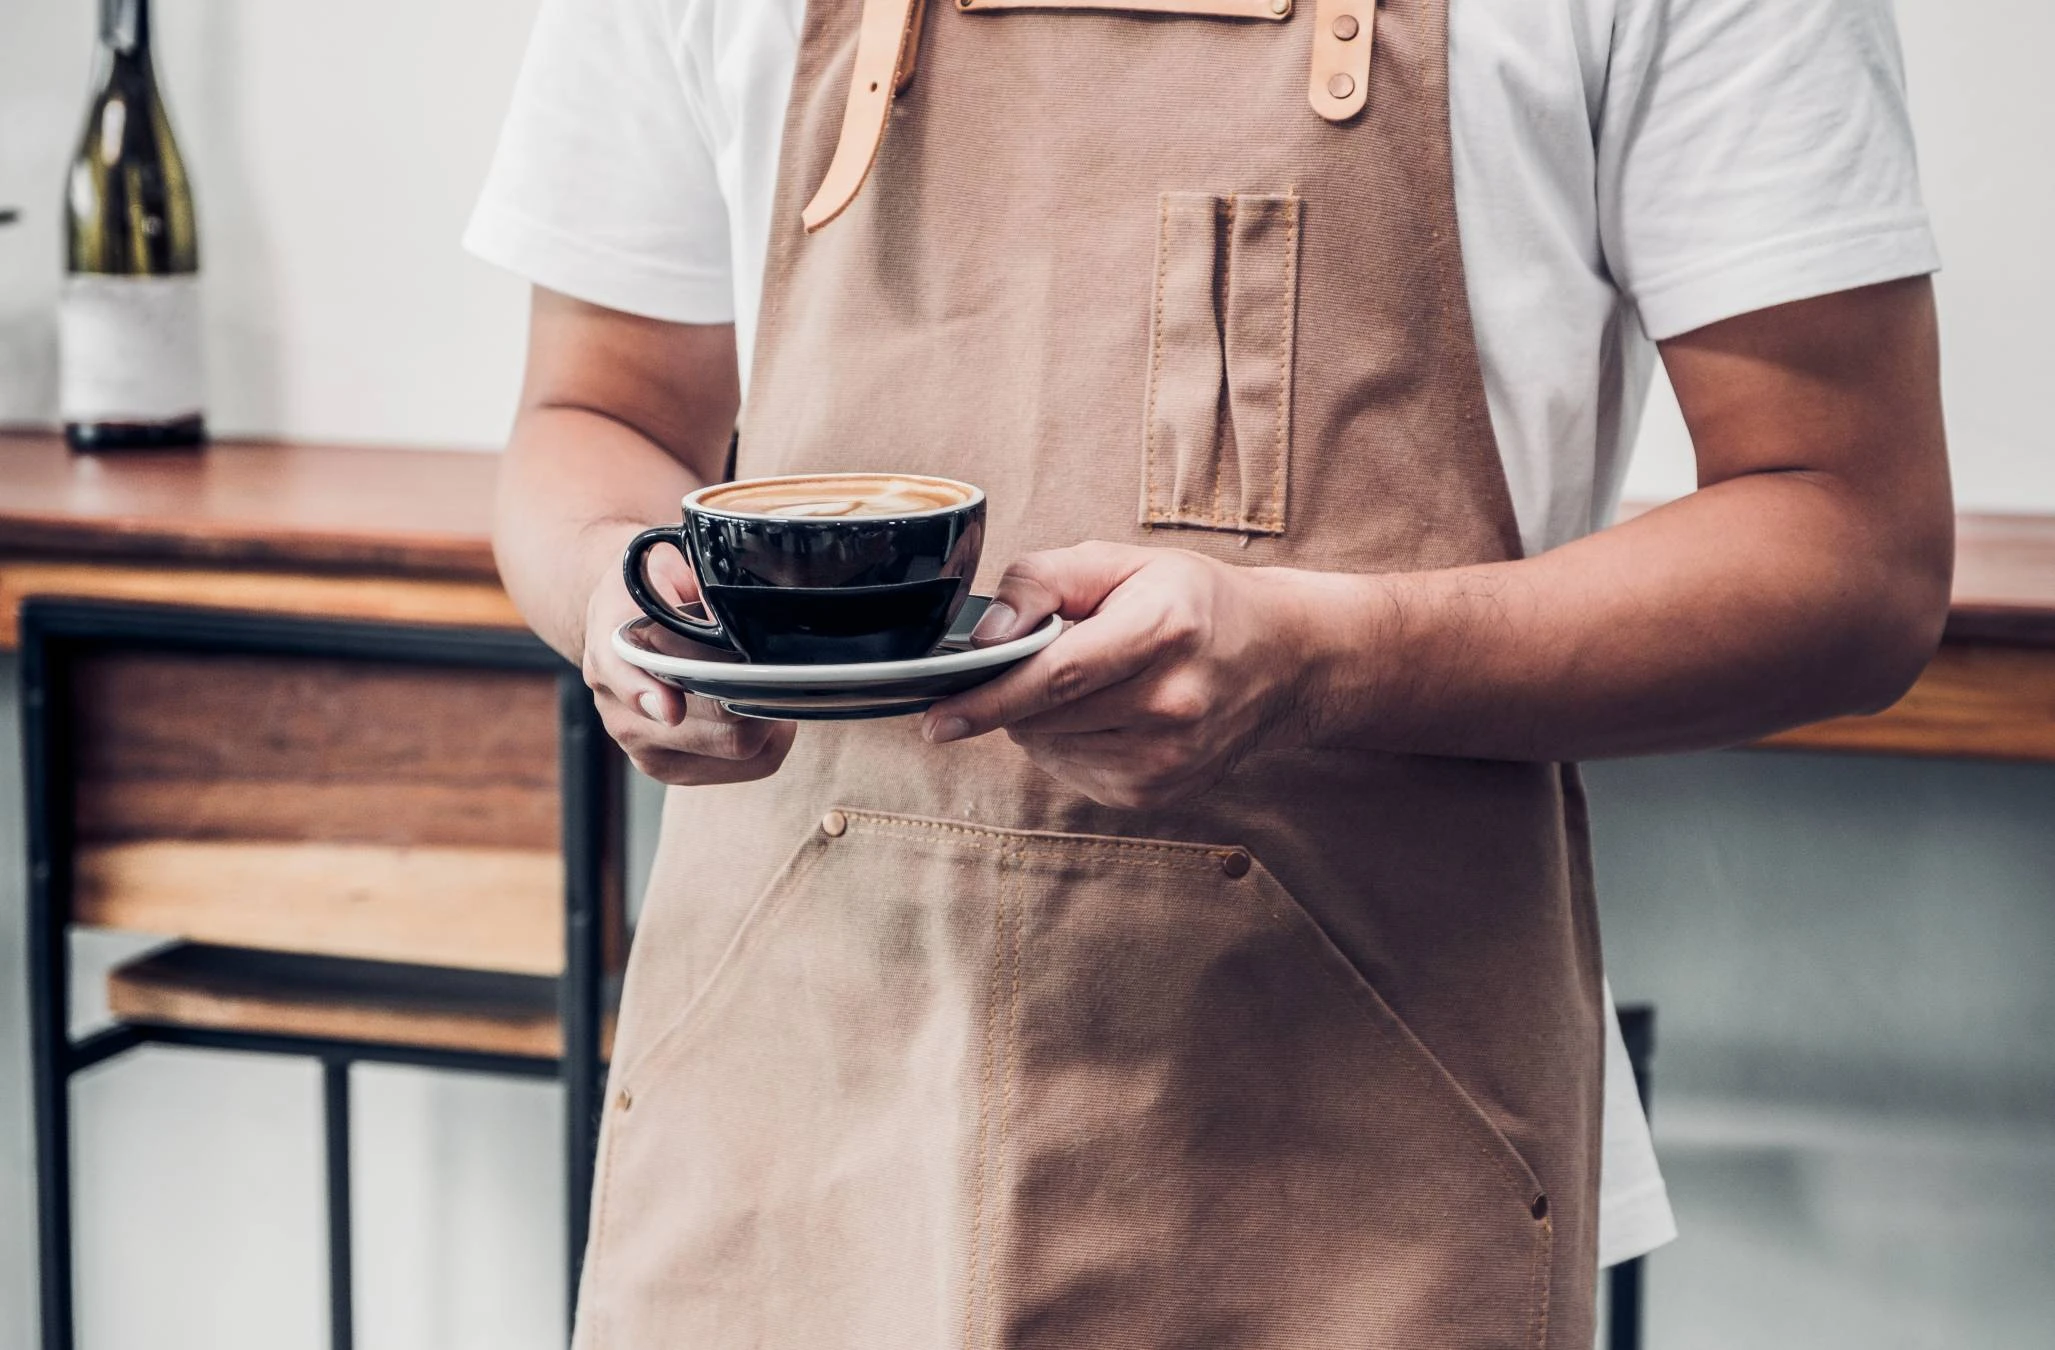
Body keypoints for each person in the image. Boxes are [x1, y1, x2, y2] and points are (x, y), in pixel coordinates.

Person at [469, 0, 1950, 1344]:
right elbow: (589, 417)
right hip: (782, 1126)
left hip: (1358, 1166)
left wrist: (1322, 661)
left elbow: (1854, 548)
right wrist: (617, 596)